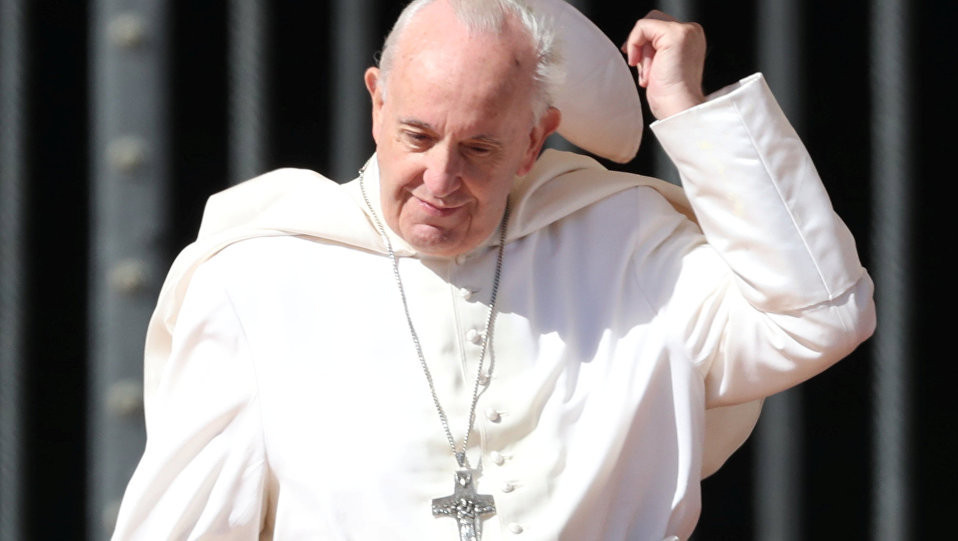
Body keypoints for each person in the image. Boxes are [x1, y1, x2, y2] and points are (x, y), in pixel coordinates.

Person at [111, 0, 876, 539]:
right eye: (417, 136)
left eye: (479, 147)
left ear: (536, 139)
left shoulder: (628, 248)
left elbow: (822, 313)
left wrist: (687, 108)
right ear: (377, 103)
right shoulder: (257, 283)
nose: (441, 179)